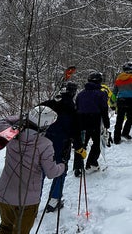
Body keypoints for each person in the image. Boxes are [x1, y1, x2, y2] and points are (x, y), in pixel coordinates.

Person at [0, 106, 66, 234]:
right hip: (27, 201)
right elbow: (52, 173)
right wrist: (62, 165)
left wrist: (22, 118)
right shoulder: (44, 144)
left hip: (4, 194)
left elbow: (2, 120)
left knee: (5, 228)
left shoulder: (10, 134)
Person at [40, 82, 79, 213]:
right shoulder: (72, 109)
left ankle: (33, 203)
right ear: (73, 93)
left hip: (43, 143)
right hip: (62, 145)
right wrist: (79, 147)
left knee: (40, 172)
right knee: (60, 172)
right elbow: (75, 131)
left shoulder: (48, 103)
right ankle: (53, 201)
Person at [73, 72, 110, 176]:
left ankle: (78, 167)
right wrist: (106, 123)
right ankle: (91, 163)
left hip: (81, 120)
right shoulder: (101, 93)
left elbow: (77, 108)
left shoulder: (80, 94)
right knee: (97, 143)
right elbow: (104, 109)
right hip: (95, 120)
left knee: (81, 143)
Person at [113, 62, 132, 144]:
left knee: (119, 119)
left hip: (121, 100)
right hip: (131, 100)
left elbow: (115, 91)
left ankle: (116, 138)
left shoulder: (118, 78)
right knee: (130, 118)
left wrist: (113, 100)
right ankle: (125, 133)